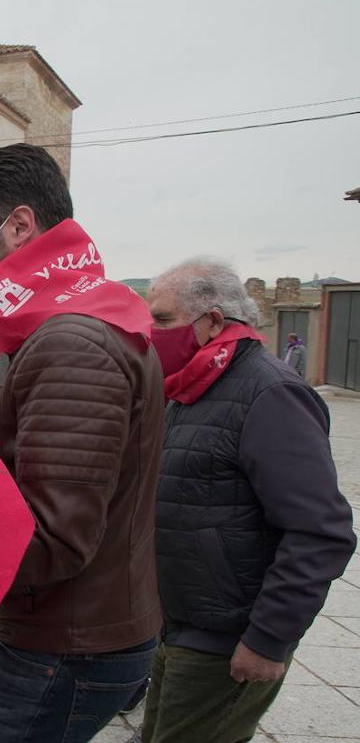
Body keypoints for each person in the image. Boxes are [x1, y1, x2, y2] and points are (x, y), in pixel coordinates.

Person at [0, 144, 165, 742]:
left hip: (64, 644)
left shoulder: (71, 342)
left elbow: (54, 537)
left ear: (19, 225)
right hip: (76, 629)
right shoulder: (88, 315)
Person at [140, 259, 355, 743]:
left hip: (227, 638)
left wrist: (267, 639)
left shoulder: (271, 393)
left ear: (214, 320)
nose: (153, 334)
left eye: (164, 320)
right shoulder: (192, 387)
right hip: (179, 624)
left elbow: (320, 532)